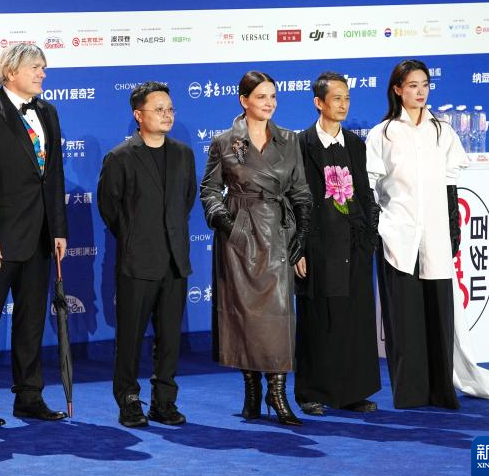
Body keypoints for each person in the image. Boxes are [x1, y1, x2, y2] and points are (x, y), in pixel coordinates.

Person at [0, 43, 68, 427]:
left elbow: (53, 176)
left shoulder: (48, 112)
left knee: (31, 321)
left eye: (43, 67)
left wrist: (58, 229)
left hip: (39, 237)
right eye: (35, 67)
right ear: (10, 72)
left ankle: (29, 396)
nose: (42, 74)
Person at [200, 70, 312, 426]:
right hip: (240, 237)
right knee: (244, 316)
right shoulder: (225, 141)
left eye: (273, 96)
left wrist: (302, 234)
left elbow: (300, 190)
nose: (269, 103)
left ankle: (277, 393)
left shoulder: (289, 140)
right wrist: (226, 224)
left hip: (277, 233)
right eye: (261, 96)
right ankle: (251, 390)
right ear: (243, 100)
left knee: (278, 317)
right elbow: (209, 189)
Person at [366, 59, 466, 409]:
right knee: (404, 318)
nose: (420, 91)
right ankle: (410, 393)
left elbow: (451, 182)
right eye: (412, 85)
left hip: (436, 235)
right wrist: (380, 226)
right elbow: (370, 185)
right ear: (397, 89)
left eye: (424, 84)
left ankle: (441, 390)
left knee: (439, 315)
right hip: (398, 235)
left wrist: (453, 227)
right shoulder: (383, 133)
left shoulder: (442, 131)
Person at [97, 81, 196, 427]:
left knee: (169, 340)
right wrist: (136, 237)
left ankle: (164, 402)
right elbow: (110, 209)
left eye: (170, 109)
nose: (167, 115)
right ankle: (128, 400)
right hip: (137, 261)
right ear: (138, 115)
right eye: (159, 109)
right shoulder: (120, 157)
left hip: (175, 261)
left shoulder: (184, 154)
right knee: (130, 339)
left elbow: (186, 201)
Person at [293, 72, 381, 416]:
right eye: (336, 99)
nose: (343, 105)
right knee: (318, 320)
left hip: (354, 244)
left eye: (347, 98)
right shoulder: (301, 145)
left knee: (355, 319)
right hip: (317, 246)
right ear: (319, 103)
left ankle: (353, 392)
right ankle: (311, 392)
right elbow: (293, 200)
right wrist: (298, 248)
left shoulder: (356, 145)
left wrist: (368, 237)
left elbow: (365, 194)